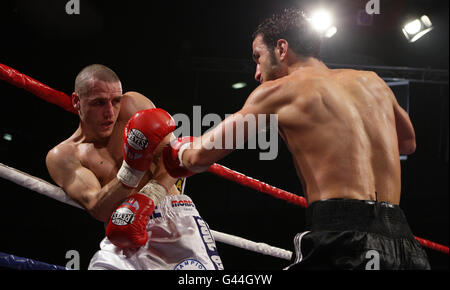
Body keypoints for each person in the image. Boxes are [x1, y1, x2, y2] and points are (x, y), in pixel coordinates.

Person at [162, 9, 431, 270]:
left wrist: (176, 148)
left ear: (281, 48)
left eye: (258, 57)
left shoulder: (277, 92)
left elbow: (198, 158)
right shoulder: (373, 82)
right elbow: (408, 143)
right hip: (404, 243)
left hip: (342, 241)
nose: (257, 73)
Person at [46, 64, 223, 270]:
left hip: (172, 219)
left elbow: (175, 160)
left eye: (116, 101)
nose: (110, 112)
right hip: (120, 231)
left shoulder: (133, 106)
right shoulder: (63, 155)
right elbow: (99, 208)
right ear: (77, 101)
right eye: (99, 103)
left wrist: (147, 197)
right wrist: (132, 170)